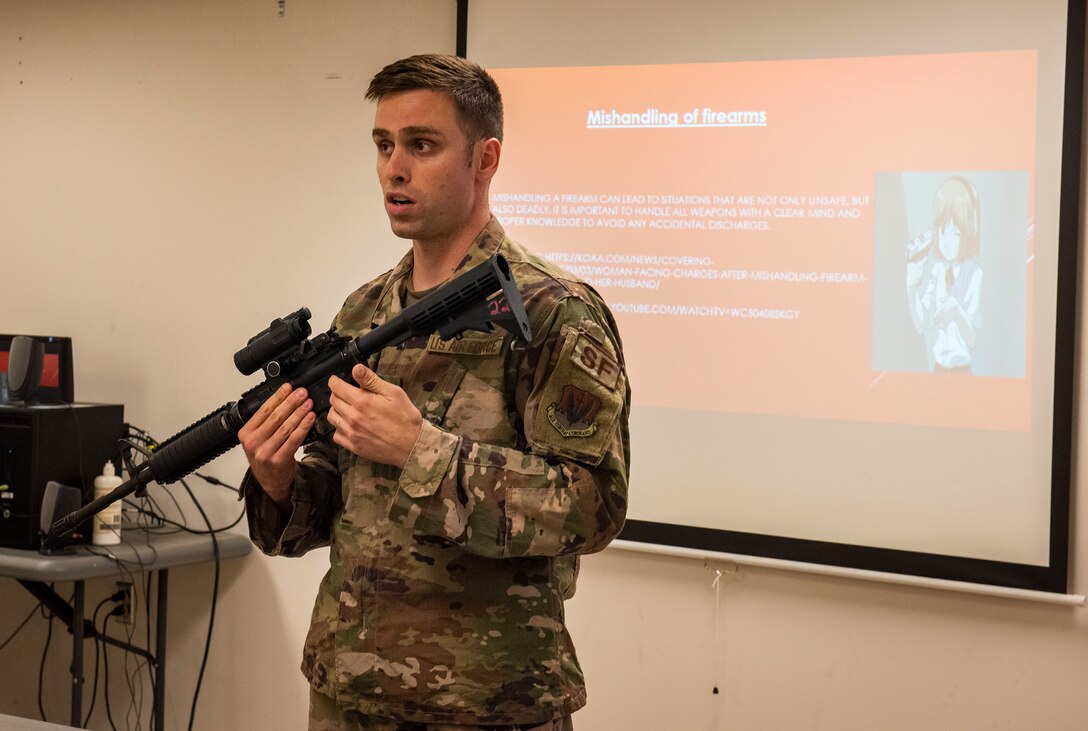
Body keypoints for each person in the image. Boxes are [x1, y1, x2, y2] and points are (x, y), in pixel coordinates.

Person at [238, 54, 630, 730]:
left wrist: (422, 451)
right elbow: (334, 496)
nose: (394, 167)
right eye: (384, 145)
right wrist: (278, 483)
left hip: (487, 703)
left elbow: (593, 507)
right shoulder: (362, 312)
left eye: (422, 145)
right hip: (348, 691)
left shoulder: (552, 309)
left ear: (486, 158)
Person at [905, 175, 983, 374]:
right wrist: (911, 287)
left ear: (968, 232)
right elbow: (921, 324)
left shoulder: (973, 273)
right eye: (942, 229)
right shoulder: (938, 271)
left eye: (955, 232)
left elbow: (972, 337)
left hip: (962, 371)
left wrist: (956, 310)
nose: (946, 240)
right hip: (937, 369)